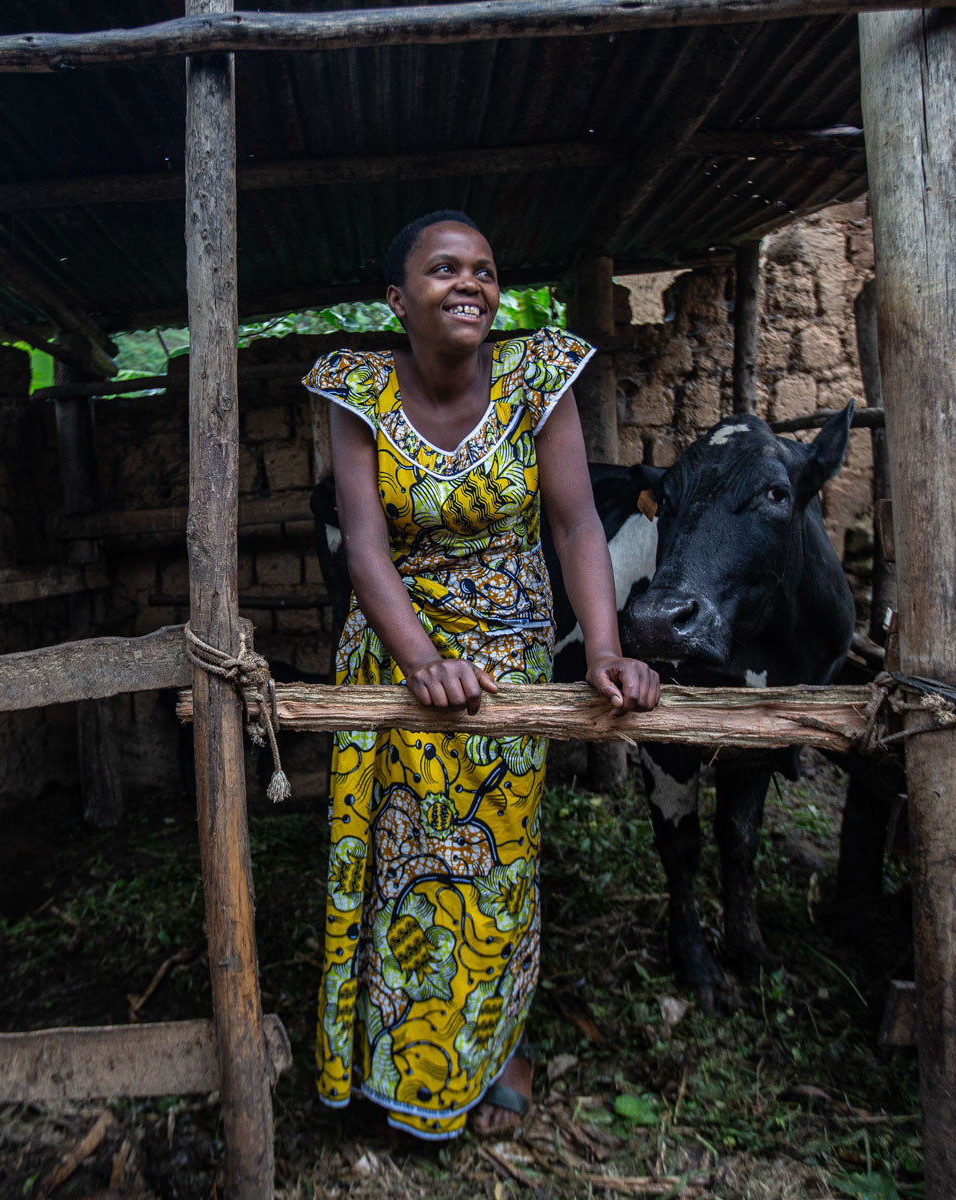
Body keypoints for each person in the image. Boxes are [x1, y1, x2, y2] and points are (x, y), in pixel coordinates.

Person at [306, 211, 660, 1140]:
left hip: (509, 665)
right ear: (399, 299)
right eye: (444, 269)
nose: (472, 284)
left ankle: (494, 1048)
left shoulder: (540, 377)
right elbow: (366, 554)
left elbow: (579, 526)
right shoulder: (357, 391)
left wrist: (605, 648)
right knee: (398, 873)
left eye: (486, 271)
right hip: (393, 656)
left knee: (494, 875)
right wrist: (424, 663)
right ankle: (392, 1073)